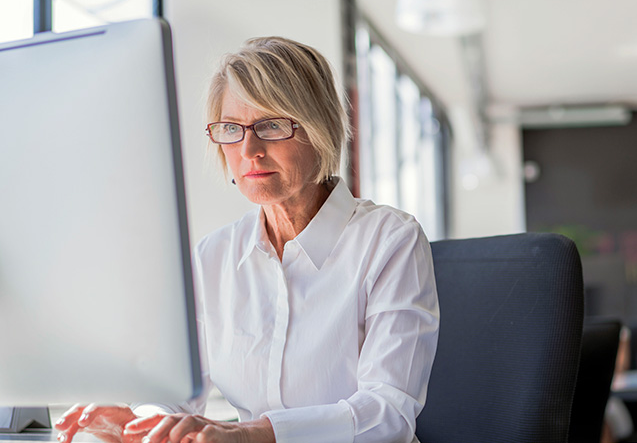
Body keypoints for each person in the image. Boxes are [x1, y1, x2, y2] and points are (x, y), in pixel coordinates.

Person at [54, 36, 440, 443]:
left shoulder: (390, 241)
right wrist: (144, 422)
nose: (248, 149)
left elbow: (388, 414)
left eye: (271, 125)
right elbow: (175, 396)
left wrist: (252, 434)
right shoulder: (214, 256)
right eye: (231, 129)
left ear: (320, 128)